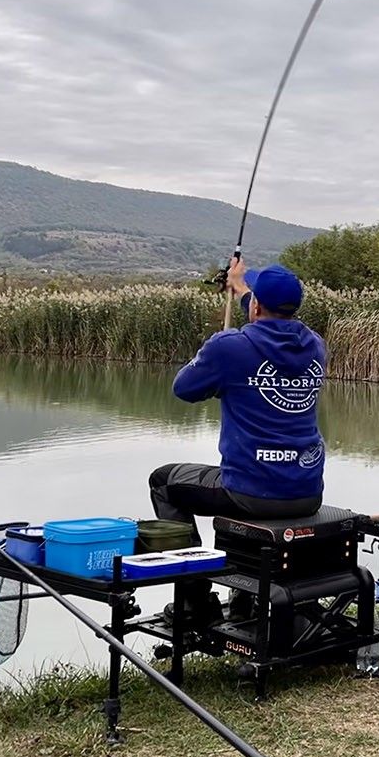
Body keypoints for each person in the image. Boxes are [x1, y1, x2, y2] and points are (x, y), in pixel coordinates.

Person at [149, 258, 326, 624]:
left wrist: (211, 351)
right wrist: (241, 286)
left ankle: (195, 600)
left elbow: (183, 389)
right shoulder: (315, 346)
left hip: (251, 490)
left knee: (164, 482)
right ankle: (243, 595)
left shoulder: (230, 347)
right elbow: (268, 320)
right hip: (307, 490)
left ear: (258, 307)